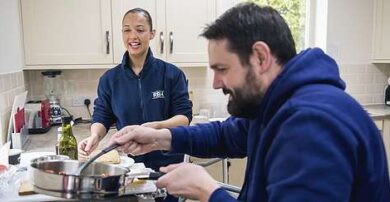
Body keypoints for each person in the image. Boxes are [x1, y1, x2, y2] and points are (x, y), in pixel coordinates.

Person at [109, 3, 390, 202]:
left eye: (222, 69)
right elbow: (227, 134)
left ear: (260, 57)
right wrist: (159, 138)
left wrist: (209, 192)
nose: (217, 83)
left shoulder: (310, 123)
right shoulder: (275, 103)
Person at [78, 8, 192, 173]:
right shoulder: (109, 79)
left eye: (140, 30)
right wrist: (94, 136)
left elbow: (184, 117)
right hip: (129, 165)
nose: (133, 36)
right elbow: (102, 116)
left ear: (151, 34)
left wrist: (156, 126)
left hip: (168, 163)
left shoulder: (172, 74)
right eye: (127, 30)